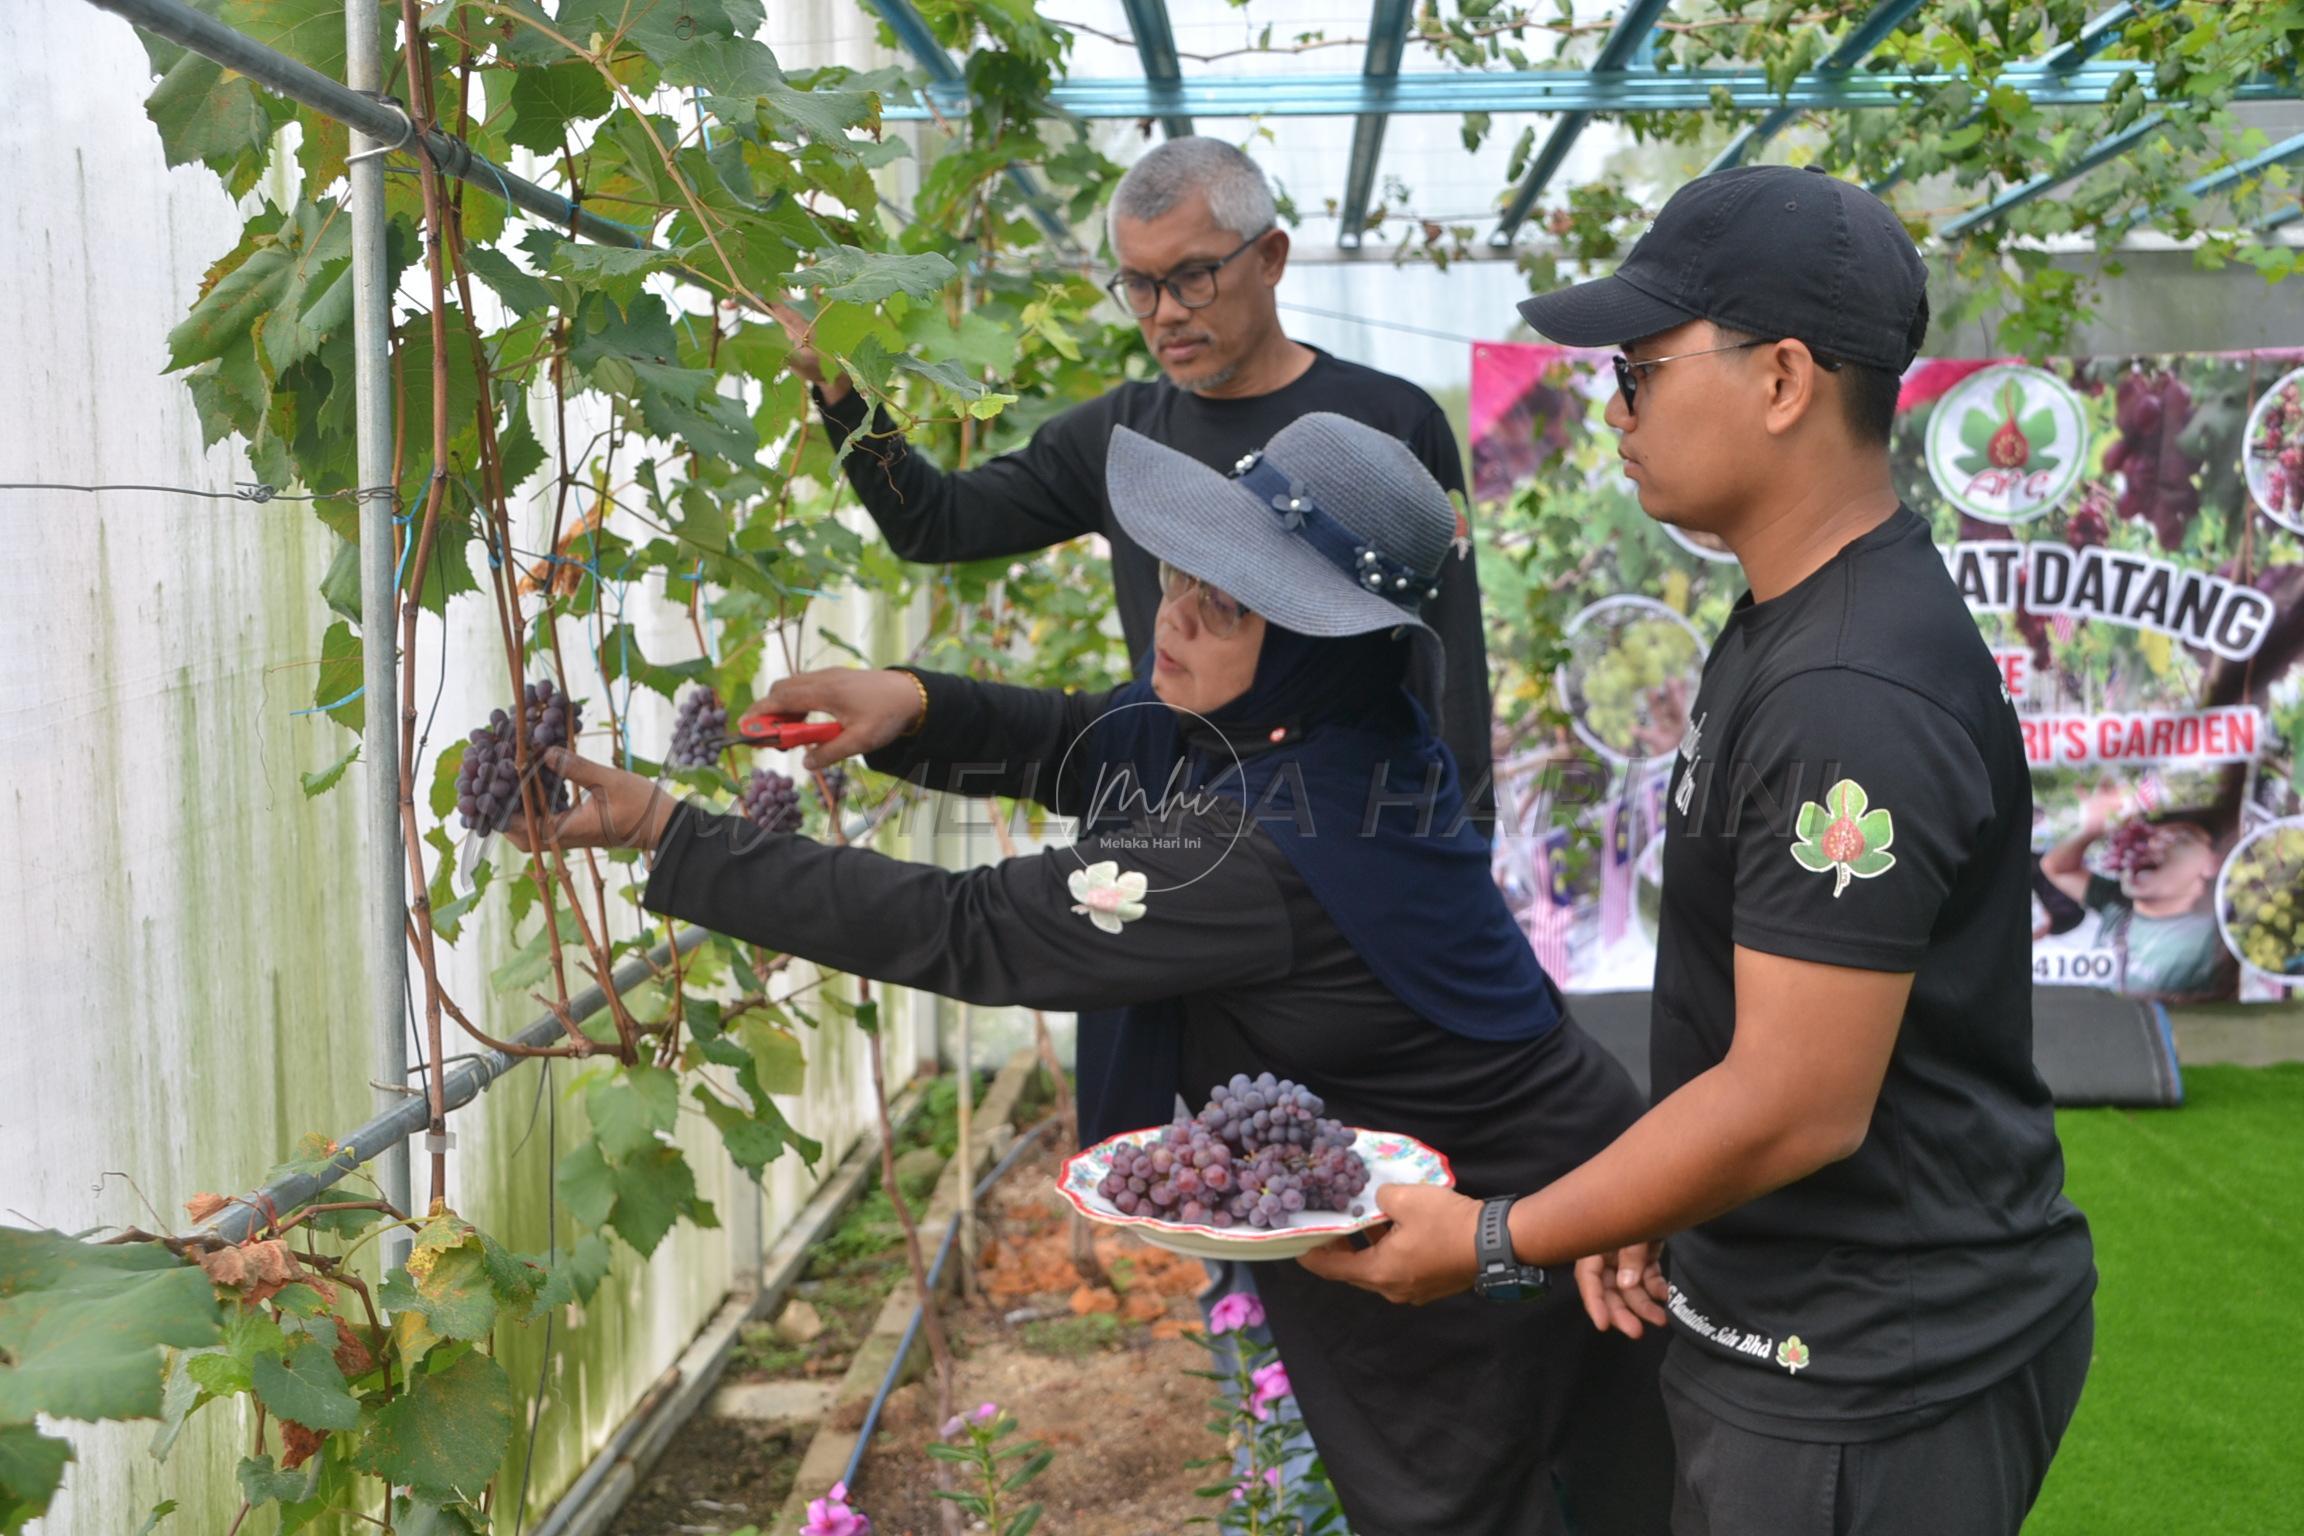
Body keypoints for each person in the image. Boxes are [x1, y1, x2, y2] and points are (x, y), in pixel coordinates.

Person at [511, 413, 1671, 1536]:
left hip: (1509, 1233)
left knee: (1485, 1499)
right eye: (1178, 572)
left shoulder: (1262, 848)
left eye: (1220, 606)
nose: (1171, 617)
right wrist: (911, 705)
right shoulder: (1320, 725)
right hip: (1489, 1186)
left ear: (1315, 639)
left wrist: (671, 832)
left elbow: (971, 927)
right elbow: (1099, 735)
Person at [1301, 167, 2098, 1536]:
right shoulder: (1790, 621)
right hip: (1796, 1320)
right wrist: (1659, 1194)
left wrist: (1500, 1237)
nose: (1615, 410)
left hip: (1871, 1371)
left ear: (1784, 379)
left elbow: (1798, 1099)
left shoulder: (1851, 687)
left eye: (1640, 367)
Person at [779, 136, 1495, 1145]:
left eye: (1192, 278)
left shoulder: (1386, 422)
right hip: (1164, 843)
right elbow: (937, 525)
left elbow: (1443, 664)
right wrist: (846, 397)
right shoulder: (1119, 439)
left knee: (1347, 1142)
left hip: (1334, 856)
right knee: (1189, 1141)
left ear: (1271, 258)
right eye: (1139, 285)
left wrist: (1461, 860)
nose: (1165, 314)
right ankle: (1230, 1296)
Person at [2040, 786, 2237, 999]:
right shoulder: (2117, 903)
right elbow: (2057, 868)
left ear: (2213, 863)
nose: (2152, 844)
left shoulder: (2218, 937)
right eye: (2144, 838)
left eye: (2178, 839)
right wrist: (2092, 830)